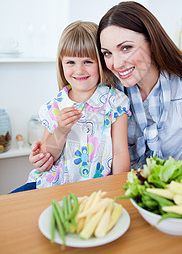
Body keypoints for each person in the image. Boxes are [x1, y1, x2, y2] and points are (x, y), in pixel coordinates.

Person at [11, 21, 130, 192]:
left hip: (96, 189)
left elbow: (119, 152)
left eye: (88, 62)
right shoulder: (54, 106)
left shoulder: (115, 103)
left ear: (101, 63)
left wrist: (119, 189)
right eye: (71, 62)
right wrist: (60, 130)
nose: (79, 70)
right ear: (61, 64)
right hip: (52, 186)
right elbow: (47, 155)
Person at [96, 1, 182, 169]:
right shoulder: (108, 93)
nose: (116, 64)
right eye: (107, 53)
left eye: (126, 48)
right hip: (116, 191)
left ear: (153, 43)